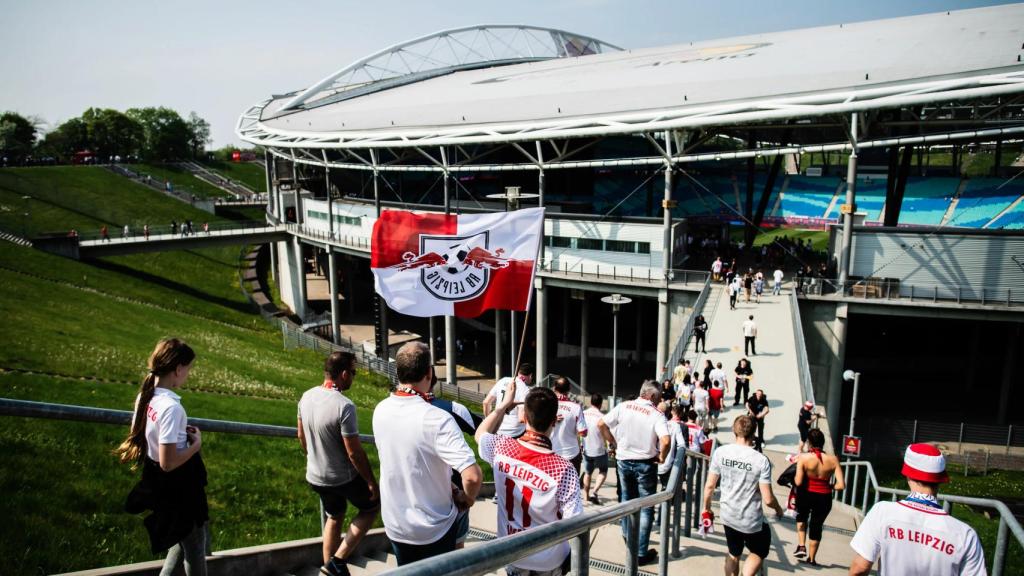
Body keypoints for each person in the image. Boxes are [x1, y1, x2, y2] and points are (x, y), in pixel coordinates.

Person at [372, 342, 482, 565]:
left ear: (398, 371)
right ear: (429, 373)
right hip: (434, 529)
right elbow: (472, 476)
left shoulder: (380, 409)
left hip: (396, 525)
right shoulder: (437, 419)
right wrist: (467, 498)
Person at [118, 338, 208, 576]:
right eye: (188, 369)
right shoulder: (171, 407)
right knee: (195, 546)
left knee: (185, 538)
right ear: (178, 369)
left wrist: (182, 437)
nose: (188, 375)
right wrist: (196, 444)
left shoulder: (146, 397)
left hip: (160, 480)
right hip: (178, 485)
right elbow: (168, 463)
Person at [477, 383, 584, 576]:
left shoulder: (500, 447)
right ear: (554, 421)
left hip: (511, 553)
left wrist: (502, 406)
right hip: (549, 561)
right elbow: (574, 524)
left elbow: (480, 434)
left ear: (524, 417)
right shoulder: (563, 469)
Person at [298, 352, 380, 576]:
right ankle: (337, 560)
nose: (353, 377)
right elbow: (354, 453)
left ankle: (328, 567)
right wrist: (371, 482)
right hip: (341, 477)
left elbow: (301, 437)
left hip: (315, 475)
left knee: (334, 515)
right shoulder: (344, 406)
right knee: (371, 507)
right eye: (353, 373)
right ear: (344, 374)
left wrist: (315, 456)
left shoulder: (306, 396)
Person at [849, 444, 986, 576]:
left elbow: (859, 568)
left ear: (907, 474)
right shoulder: (965, 535)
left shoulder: (883, 512)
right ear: (940, 479)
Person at [597, 380, 671, 566]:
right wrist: (662, 457)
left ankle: (627, 535)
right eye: (660, 396)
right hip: (646, 464)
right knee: (646, 508)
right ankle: (639, 553)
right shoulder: (656, 414)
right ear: (653, 396)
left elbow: (601, 424)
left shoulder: (623, 406)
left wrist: (612, 443)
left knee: (626, 500)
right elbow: (666, 441)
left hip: (623, 460)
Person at [703, 416, 785, 576]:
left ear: (734, 431)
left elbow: (710, 486)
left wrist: (706, 509)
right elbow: (768, 499)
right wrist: (778, 509)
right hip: (750, 520)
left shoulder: (721, 452)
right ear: (754, 433)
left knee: (733, 553)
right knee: (758, 551)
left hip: (728, 514)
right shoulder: (761, 460)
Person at [793, 429, 845, 565]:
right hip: (824, 497)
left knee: (801, 517)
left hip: (805, 494)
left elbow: (798, 482)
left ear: (809, 443)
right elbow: (841, 485)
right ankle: (811, 559)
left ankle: (801, 546)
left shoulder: (804, 458)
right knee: (816, 526)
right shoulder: (833, 460)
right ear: (823, 443)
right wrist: (830, 486)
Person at [482, 363, 534, 437]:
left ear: (519, 372)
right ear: (530, 375)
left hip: (497, 429)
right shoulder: (525, 390)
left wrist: (489, 421)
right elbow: (521, 418)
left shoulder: (503, 380)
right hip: (514, 433)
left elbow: (486, 402)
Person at [551, 377, 588, 473]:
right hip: (572, 454)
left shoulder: (547, 404)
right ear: (569, 389)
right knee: (572, 486)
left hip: (551, 453)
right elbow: (583, 432)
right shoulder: (576, 407)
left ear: (554, 388)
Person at [581, 393, 609, 505]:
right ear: (601, 404)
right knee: (603, 471)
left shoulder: (583, 414)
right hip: (600, 449)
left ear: (590, 402)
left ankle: (586, 496)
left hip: (587, 449)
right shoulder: (602, 417)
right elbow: (606, 434)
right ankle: (595, 492)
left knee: (588, 473)